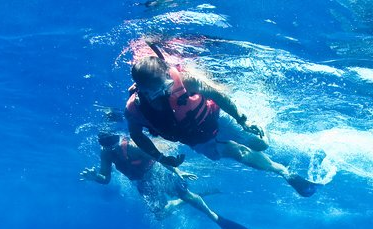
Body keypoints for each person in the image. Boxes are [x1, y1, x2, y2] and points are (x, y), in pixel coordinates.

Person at [124, 44, 320, 197]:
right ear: (140, 88)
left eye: (164, 87)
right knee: (239, 154)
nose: (161, 94)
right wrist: (160, 157)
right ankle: (284, 172)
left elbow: (218, 96)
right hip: (199, 140)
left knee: (261, 145)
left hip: (216, 118)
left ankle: (259, 122)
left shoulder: (187, 81)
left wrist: (242, 120)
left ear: (169, 76)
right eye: (152, 92)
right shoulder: (134, 109)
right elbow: (137, 136)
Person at [80, 132, 248, 229]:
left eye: (113, 147)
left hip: (157, 171)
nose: (111, 150)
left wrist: (178, 170)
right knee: (160, 215)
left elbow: (159, 158)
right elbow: (105, 178)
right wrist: (96, 178)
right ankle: (191, 198)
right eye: (108, 147)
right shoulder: (106, 153)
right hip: (142, 183)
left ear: (118, 141)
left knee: (185, 195)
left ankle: (214, 217)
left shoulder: (133, 147)